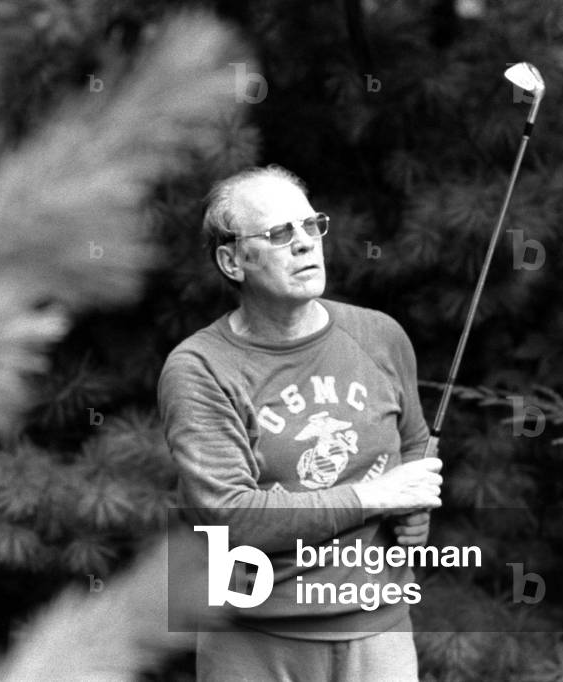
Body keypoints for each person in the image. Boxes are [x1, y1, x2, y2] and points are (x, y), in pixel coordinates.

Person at [157, 165, 444, 681]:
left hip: (380, 634)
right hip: (255, 639)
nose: (304, 244)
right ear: (232, 260)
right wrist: (377, 496)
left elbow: (415, 441)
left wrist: (416, 504)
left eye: (311, 226)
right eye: (278, 234)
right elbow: (230, 515)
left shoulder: (380, 335)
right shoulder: (199, 368)